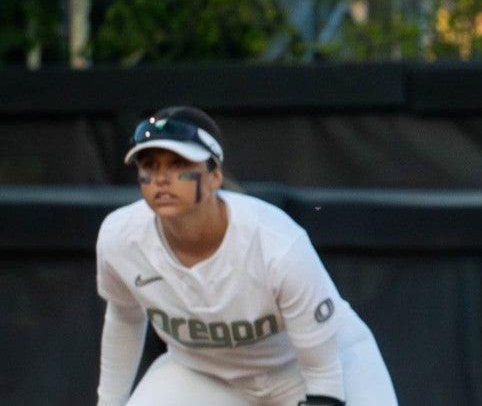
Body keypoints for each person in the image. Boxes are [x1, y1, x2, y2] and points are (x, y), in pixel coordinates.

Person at [93, 107, 398, 406]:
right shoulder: (120, 238)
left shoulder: (275, 244)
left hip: (305, 366)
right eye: (149, 165)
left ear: (214, 177)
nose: (161, 178)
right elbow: (124, 316)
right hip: (203, 374)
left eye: (178, 164)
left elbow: (324, 377)